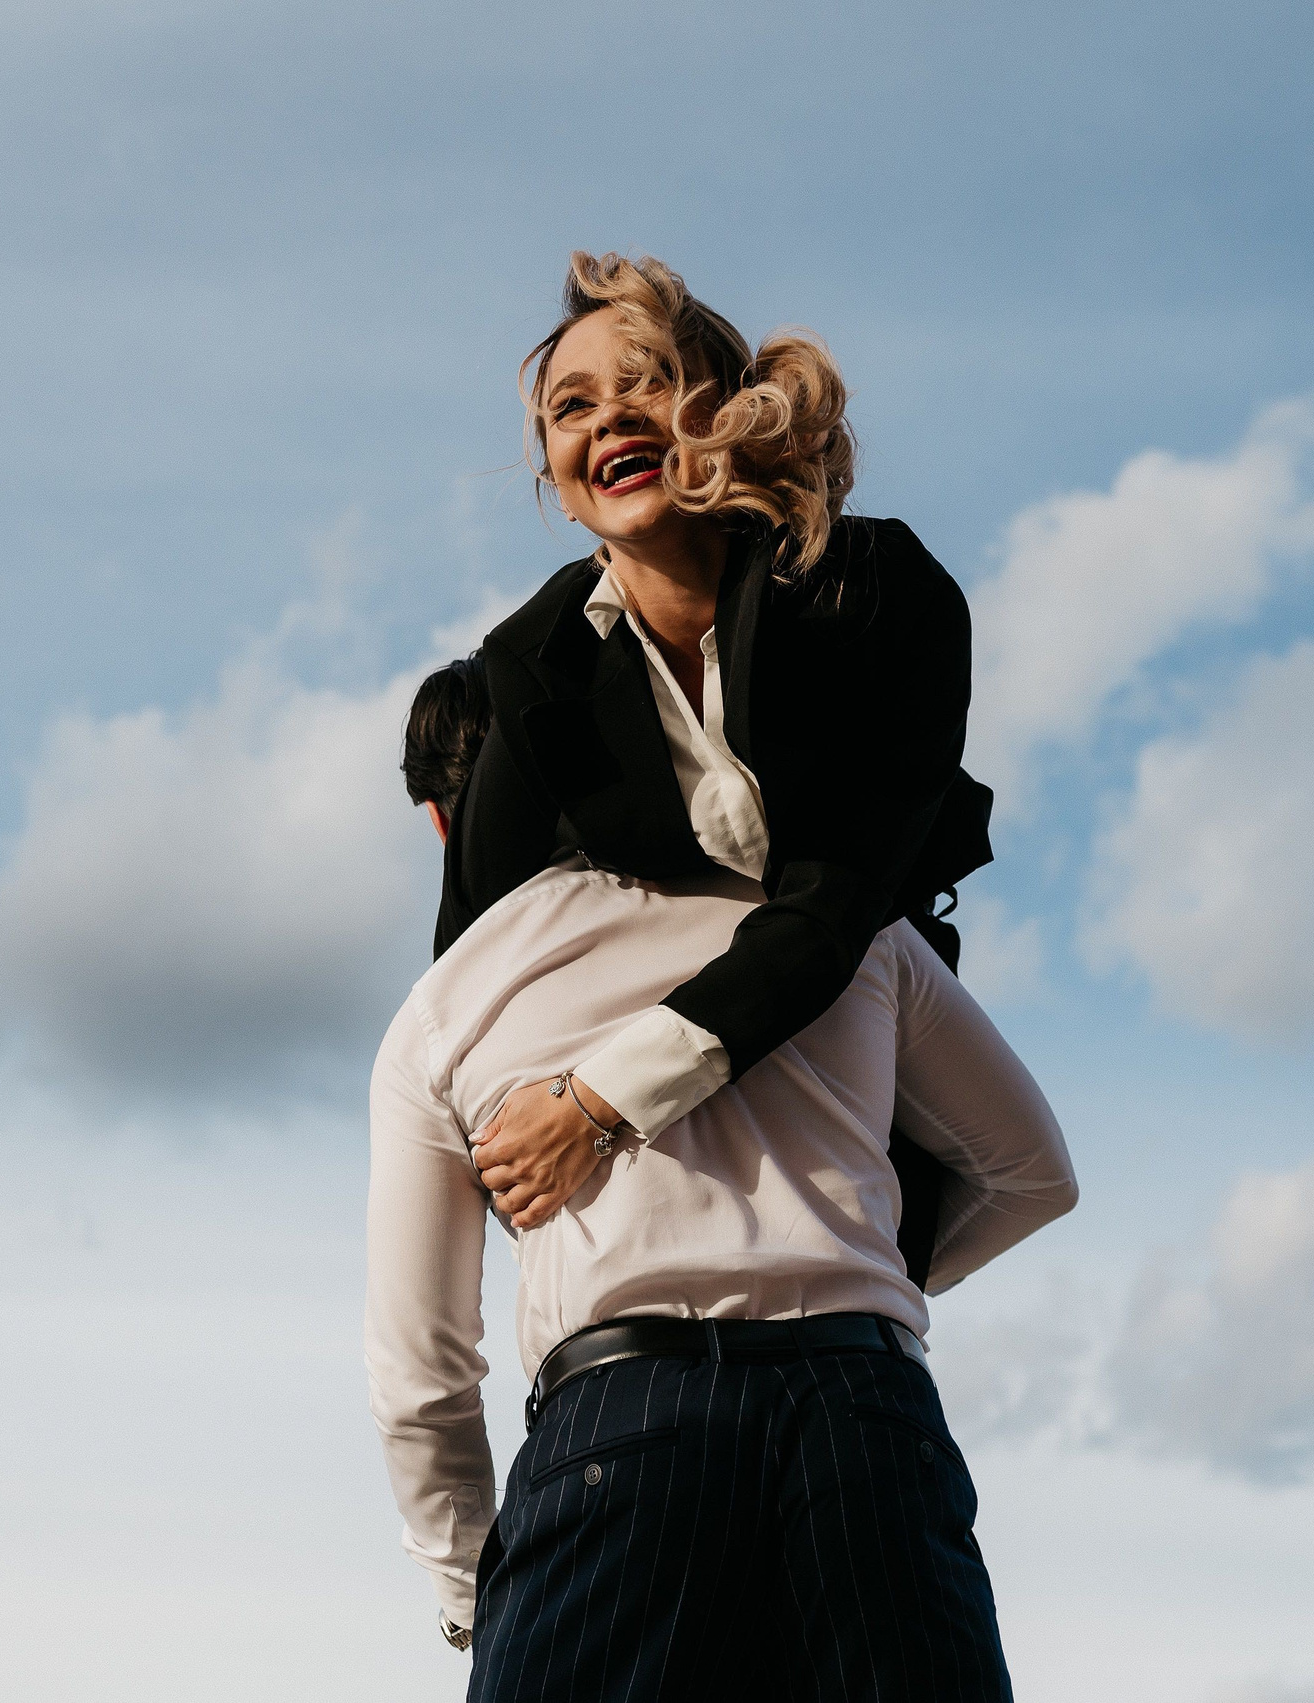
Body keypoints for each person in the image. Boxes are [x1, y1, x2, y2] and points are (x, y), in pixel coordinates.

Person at [368, 658, 1077, 1699]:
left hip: (621, 1421)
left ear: (443, 826)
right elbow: (1031, 1173)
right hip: (859, 1409)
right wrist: (852, 1287)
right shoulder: (834, 919)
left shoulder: (447, 1007)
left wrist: (473, 1587)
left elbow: (419, 1371)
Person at [440, 251, 997, 1253]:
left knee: (1033, 1174)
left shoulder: (877, 592)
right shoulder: (534, 667)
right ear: (557, 484)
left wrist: (600, 1101)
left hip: (856, 998)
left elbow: (837, 899)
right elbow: (473, 955)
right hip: (647, 1111)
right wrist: (519, 1139)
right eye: (571, 408)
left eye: (644, 379)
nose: (607, 417)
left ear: (723, 410)